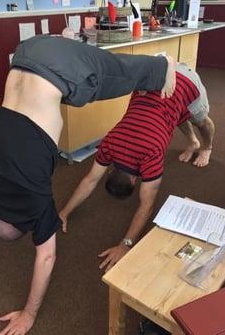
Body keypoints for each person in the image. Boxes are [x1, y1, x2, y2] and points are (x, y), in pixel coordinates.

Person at [0, 35, 176, 335]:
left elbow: (47, 255)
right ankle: (65, 41)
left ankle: (163, 65)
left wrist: (29, 314)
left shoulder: (35, 201)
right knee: (79, 81)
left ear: (24, 223)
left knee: (117, 74)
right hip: (26, 53)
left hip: (62, 68)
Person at [59, 62, 215, 272]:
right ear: (112, 169)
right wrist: (64, 212)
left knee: (201, 121)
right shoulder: (110, 141)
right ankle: (192, 142)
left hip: (186, 81)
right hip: (154, 74)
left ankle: (206, 146)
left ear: (135, 179)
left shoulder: (150, 154)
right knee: (173, 111)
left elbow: (146, 205)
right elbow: (90, 180)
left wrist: (126, 245)